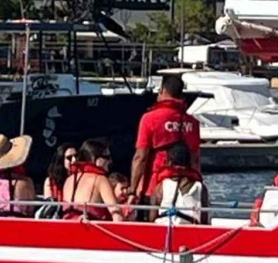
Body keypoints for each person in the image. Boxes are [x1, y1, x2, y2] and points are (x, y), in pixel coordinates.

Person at [131, 73, 200, 202]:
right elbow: (195, 159)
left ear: (162, 90)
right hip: (186, 189)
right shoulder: (193, 123)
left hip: (155, 187)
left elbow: (141, 157)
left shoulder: (149, 118)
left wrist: (133, 189)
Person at [58, 139, 123, 221]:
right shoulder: (100, 180)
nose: (110, 161)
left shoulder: (68, 180)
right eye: (107, 157)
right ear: (95, 159)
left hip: (66, 230)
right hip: (91, 231)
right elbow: (117, 215)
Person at [152, 141, 209, 224]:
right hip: (190, 231)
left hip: (163, 229)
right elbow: (204, 220)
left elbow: (152, 218)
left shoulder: (159, 187)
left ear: (169, 162)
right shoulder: (201, 188)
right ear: (189, 162)